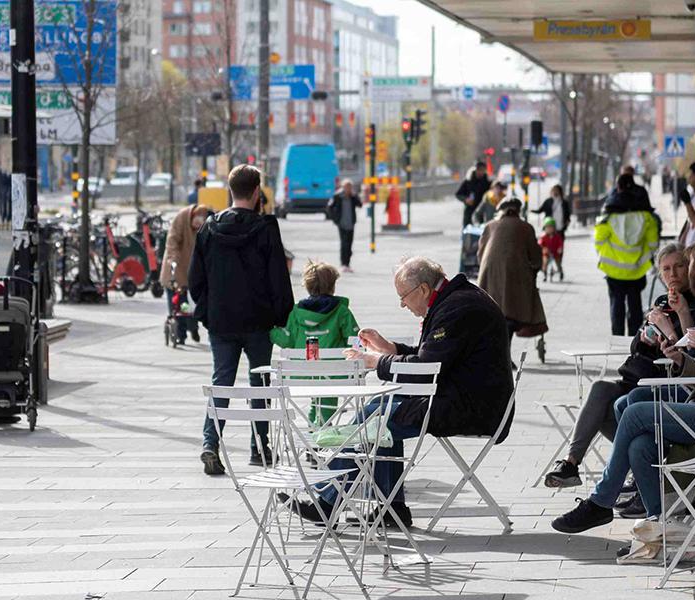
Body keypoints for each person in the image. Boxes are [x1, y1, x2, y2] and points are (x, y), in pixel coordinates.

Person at [553, 243, 695, 533]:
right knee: (639, 445)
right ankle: (661, 529)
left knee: (636, 411)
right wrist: (679, 360)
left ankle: (601, 502)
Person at [286, 257, 514, 528]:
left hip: (471, 406)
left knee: (377, 417)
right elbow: (432, 356)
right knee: (379, 408)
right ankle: (389, 509)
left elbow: (428, 366)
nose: (403, 304)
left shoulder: (457, 308)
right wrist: (390, 348)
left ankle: (330, 502)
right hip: (461, 396)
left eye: (403, 297)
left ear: (424, 290)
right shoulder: (453, 300)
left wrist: (376, 362)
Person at [543, 241, 695, 490]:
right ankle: (571, 463)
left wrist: (672, 330)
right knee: (601, 389)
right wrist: (644, 337)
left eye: (679, 266)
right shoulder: (661, 302)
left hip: (663, 385)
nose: (673, 274)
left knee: (614, 406)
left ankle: (635, 472)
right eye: (667, 269)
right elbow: (635, 348)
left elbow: (688, 353)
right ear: (659, 274)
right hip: (636, 377)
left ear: (690, 268)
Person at [190, 164, 294, 475]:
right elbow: (278, 276)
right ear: (256, 192)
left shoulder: (209, 228)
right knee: (259, 381)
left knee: (221, 380)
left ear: (230, 191)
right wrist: (282, 316)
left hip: (221, 321)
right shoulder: (265, 229)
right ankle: (260, 449)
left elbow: (196, 279)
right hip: (258, 321)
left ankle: (210, 443)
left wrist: (207, 312)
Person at [269, 261, 360, 425]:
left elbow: (287, 340)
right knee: (326, 394)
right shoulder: (341, 311)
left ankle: (315, 429)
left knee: (317, 394)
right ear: (332, 286)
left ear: (307, 286)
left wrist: (270, 330)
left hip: (302, 373)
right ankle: (322, 430)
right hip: (333, 373)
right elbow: (354, 339)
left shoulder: (297, 312)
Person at [594, 174, 660, 336]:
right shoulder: (646, 217)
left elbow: (599, 239)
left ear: (618, 187)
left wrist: (608, 254)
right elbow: (653, 244)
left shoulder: (609, 216)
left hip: (613, 269)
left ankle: (617, 335)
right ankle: (634, 335)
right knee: (635, 303)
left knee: (616, 304)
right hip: (637, 269)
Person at [478, 198, 547, 341]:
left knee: (495, 312)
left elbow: (480, 254)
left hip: (488, 277)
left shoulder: (490, 226)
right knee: (512, 313)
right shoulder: (525, 227)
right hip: (515, 277)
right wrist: (534, 268)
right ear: (518, 211)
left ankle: (500, 352)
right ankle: (505, 354)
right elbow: (535, 257)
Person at [160, 203, 212, 344]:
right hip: (175, 267)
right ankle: (180, 335)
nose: (196, 227)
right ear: (193, 215)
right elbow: (172, 241)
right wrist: (173, 259)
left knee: (189, 306)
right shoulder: (181, 218)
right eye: (195, 223)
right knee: (176, 303)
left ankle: (193, 327)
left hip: (192, 270)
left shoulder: (206, 226)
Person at [326, 179, 362, 272]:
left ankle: (347, 264)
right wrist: (335, 219)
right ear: (343, 187)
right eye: (347, 187)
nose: (348, 189)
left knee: (349, 244)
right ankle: (343, 264)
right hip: (341, 223)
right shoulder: (337, 196)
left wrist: (354, 196)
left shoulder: (352, 196)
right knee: (344, 244)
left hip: (351, 223)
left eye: (350, 187)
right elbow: (329, 207)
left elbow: (360, 204)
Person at [455, 161, 491, 228]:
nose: (481, 172)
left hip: (481, 213)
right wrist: (466, 199)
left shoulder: (487, 182)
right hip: (469, 211)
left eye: (483, 170)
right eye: (479, 170)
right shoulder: (468, 181)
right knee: (467, 233)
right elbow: (458, 194)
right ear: (476, 170)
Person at [539, 217, 565, 282]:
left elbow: (560, 243)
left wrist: (560, 248)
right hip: (547, 254)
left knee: (558, 263)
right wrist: (543, 248)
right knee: (544, 263)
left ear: (554, 228)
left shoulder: (557, 237)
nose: (549, 229)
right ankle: (544, 274)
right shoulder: (543, 237)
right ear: (544, 228)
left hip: (555, 253)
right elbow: (540, 244)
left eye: (551, 227)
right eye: (547, 228)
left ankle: (560, 272)